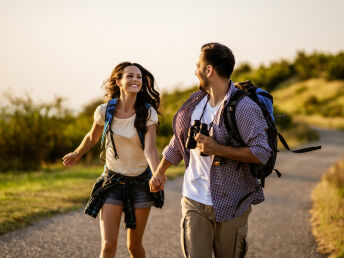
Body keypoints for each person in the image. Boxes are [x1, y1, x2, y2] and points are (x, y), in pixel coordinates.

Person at [150, 43, 271, 258]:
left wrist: (218, 149)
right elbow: (178, 142)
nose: (195, 71)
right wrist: (160, 171)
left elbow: (262, 152)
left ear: (209, 70)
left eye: (198, 66)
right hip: (194, 199)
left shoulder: (243, 107)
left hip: (232, 201)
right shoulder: (195, 103)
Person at [62, 62, 161, 258]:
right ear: (119, 81)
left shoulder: (148, 112)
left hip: (140, 182)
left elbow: (150, 149)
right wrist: (77, 153)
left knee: (134, 246)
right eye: (130, 76)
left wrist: (157, 173)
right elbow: (92, 137)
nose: (136, 80)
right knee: (108, 245)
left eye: (139, 77)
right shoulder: (104, 111)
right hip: (112, 181)